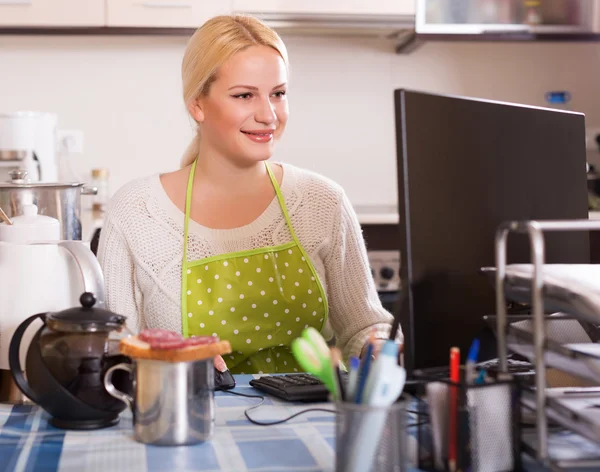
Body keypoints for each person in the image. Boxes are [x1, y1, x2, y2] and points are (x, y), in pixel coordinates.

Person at [98, 14, 403, 374]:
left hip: (314, 420)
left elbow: (364, 325)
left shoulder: (323, 201)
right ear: (197, 104)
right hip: (190, 420)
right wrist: (167, 361)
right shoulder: (135, 210)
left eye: (278, 94)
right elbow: (114, 348)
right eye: (244, 95)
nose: (268, 115)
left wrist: (378, 345)